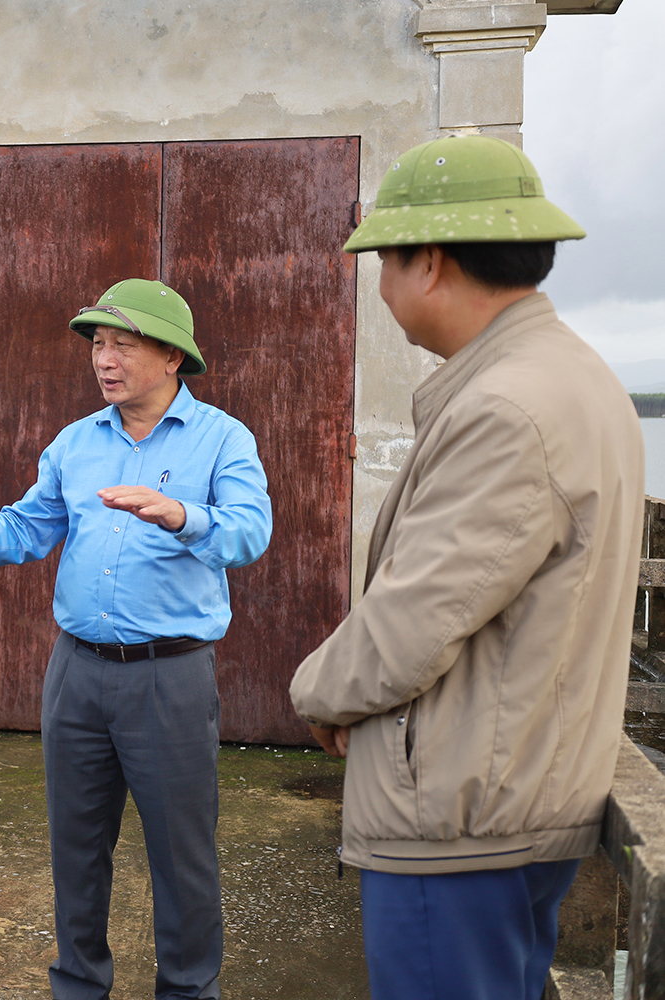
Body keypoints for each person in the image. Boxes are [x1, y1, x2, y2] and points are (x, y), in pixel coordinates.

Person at [289, 135, 644, 1000]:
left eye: (385, 261)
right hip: (514, 791)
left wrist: (318, 691)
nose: (379, 288)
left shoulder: (506, 407)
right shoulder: (569, 378)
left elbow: (416, 618)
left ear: (432, 264)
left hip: (460, 814)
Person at [0, 278, 272, 1000]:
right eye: (98, 344)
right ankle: (78, 987)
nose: (105, 359)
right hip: (77, 676)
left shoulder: (222, 438)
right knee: (76, 853)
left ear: (172, 357)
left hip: (169, 678)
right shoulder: (76, 443)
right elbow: (27, 529)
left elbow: (250, 533)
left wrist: (182, 513)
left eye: (123, 343)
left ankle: (188, 992)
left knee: (183, 859)